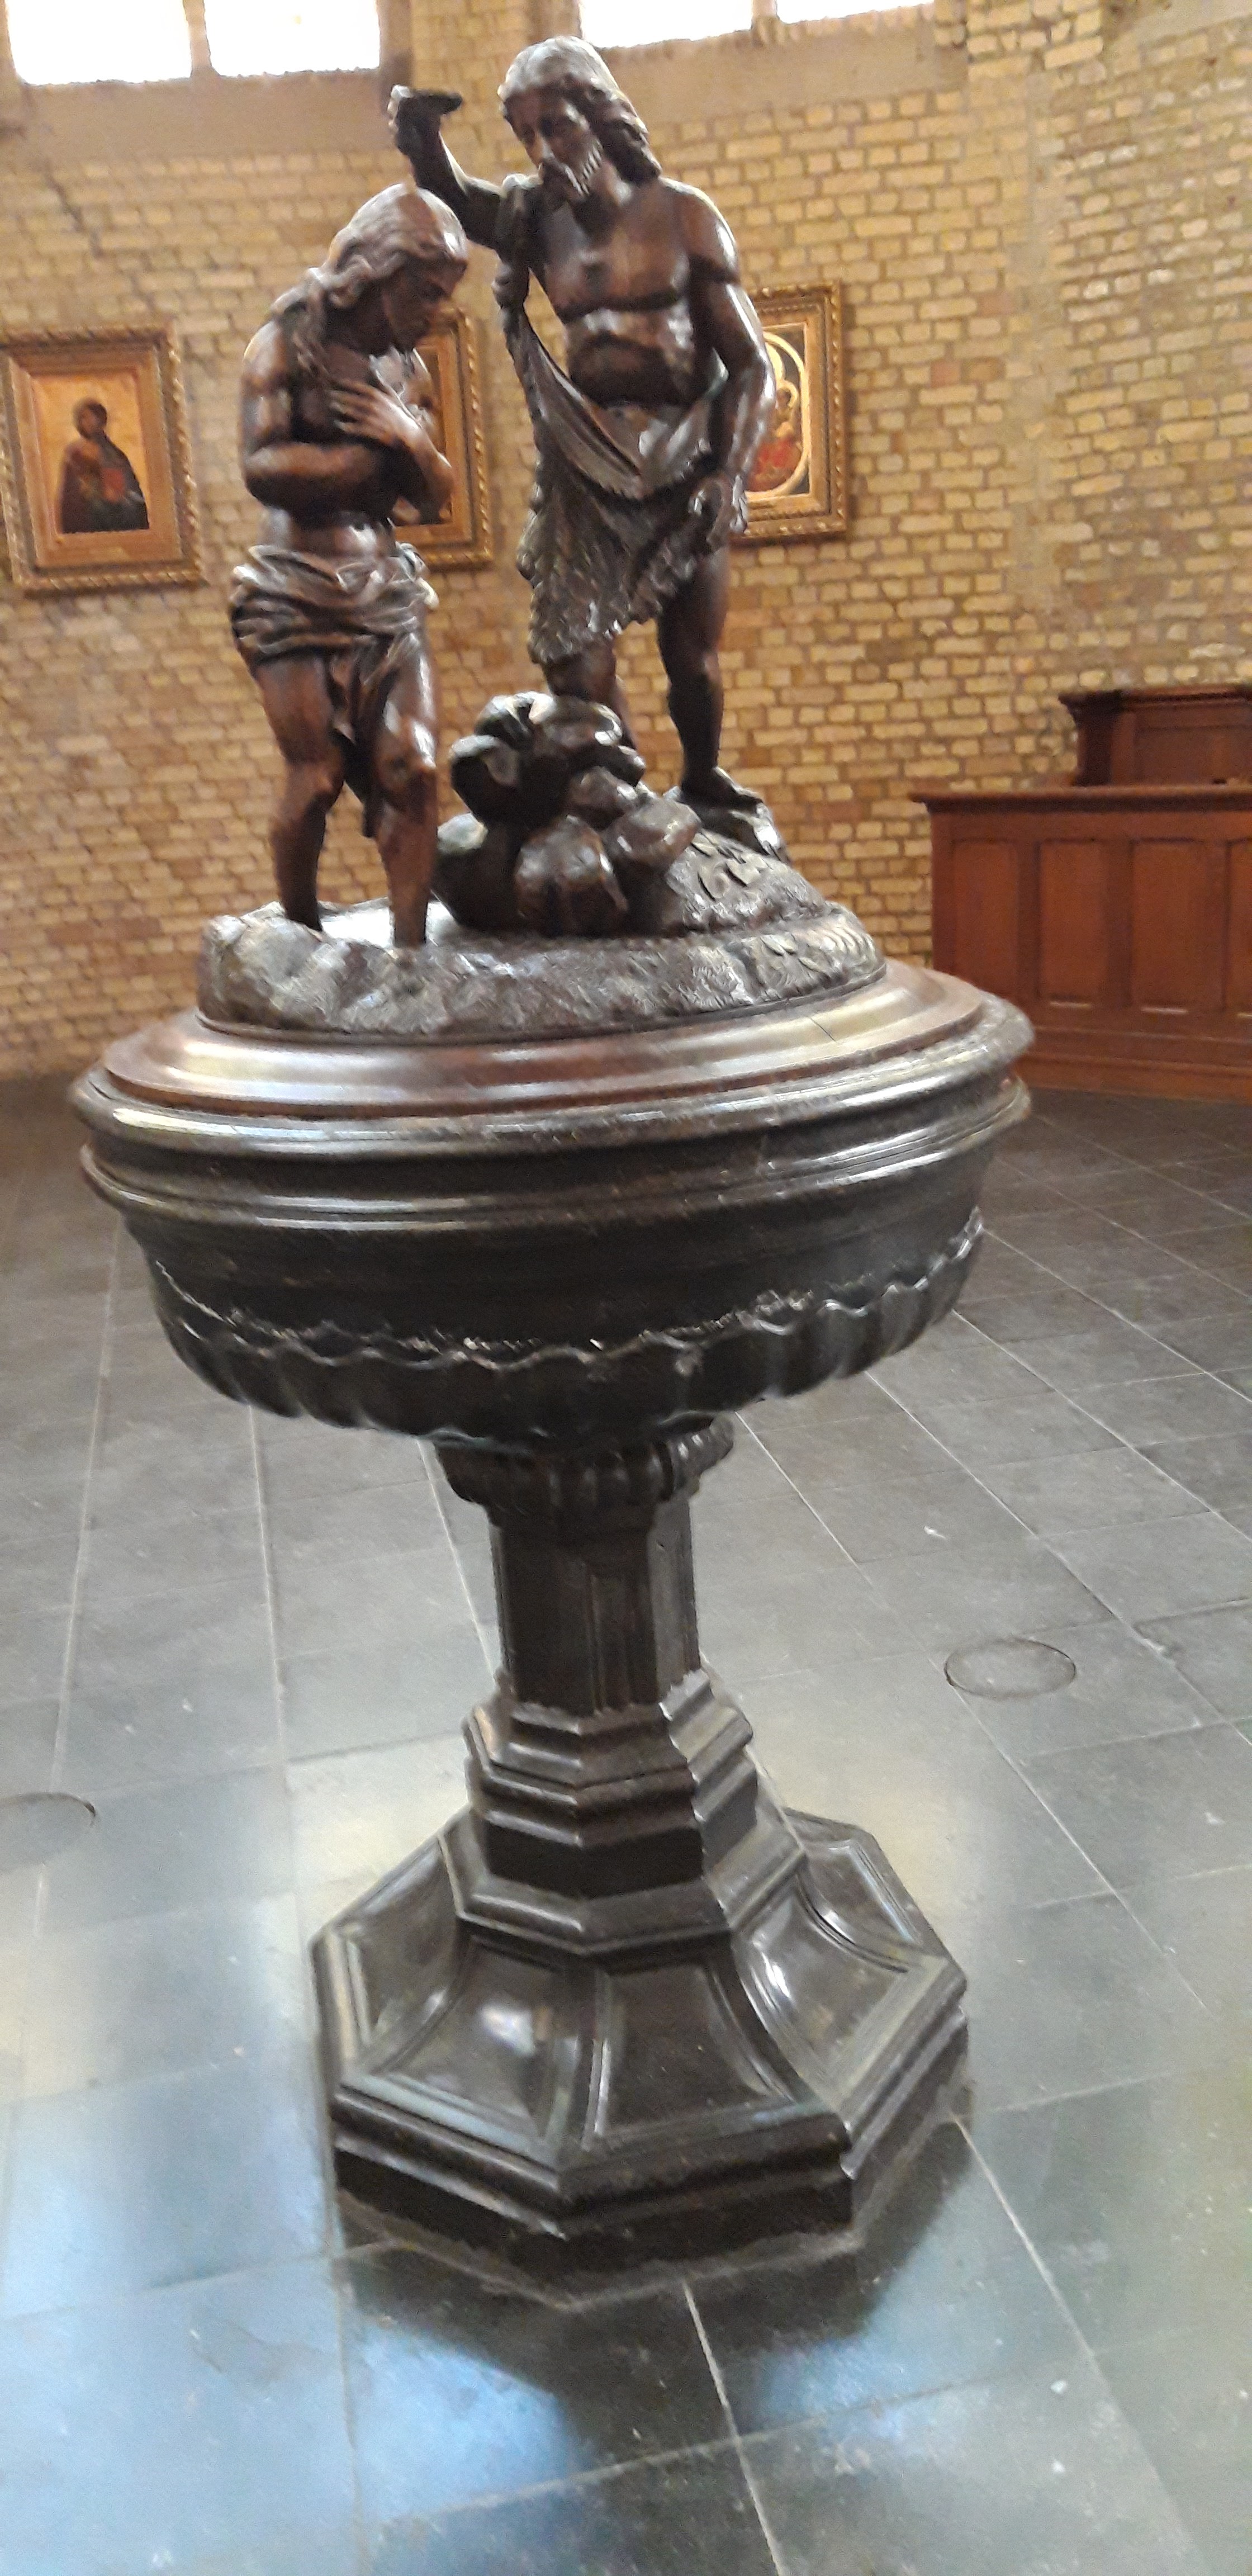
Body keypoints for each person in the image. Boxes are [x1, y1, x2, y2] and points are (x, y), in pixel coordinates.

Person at [392, 40, 776, 818]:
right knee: (574, 666)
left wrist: (729, 474)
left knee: (691, 657)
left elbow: (752, 367)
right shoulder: (537, 220)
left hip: (685, 453)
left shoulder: (684, 218)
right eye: (525, 135)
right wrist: (423, 142)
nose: (541, 151)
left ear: (599, 117)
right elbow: (459, 202)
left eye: (556, 127)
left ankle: (701, 778)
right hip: (585, 457)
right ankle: (620, 790)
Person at [230, 183, 467, 946]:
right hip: (295, 592)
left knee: (414, 767)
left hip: (384, 592)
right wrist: (363, 463)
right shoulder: (282, 345)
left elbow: (432, 495)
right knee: (317, 779)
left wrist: (408, 439)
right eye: (426, 291)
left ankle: (411, 958)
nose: (434, 310)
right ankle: (300, 944)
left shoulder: (407, 372)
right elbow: (264, 468)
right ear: (379, 273)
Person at [58, 399, 149, 534]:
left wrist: (116, 497)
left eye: (91, 418)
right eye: (83, 418)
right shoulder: (74, 453)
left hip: (112, 515)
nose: (87, 423)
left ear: (100, 420)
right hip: (84, 518)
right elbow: (69, 494)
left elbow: (130, 492)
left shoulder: (114, 455)